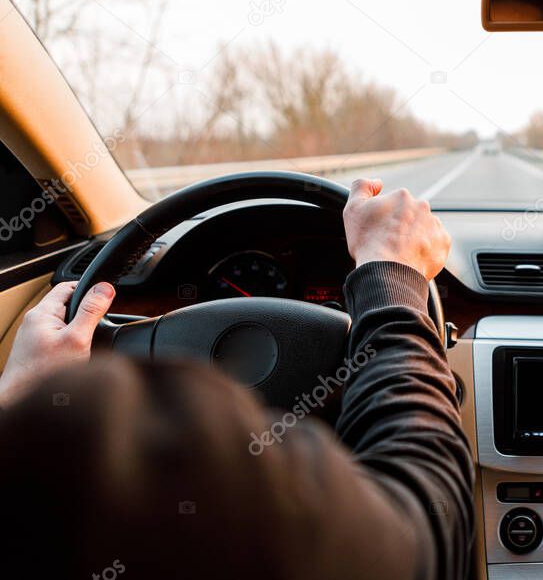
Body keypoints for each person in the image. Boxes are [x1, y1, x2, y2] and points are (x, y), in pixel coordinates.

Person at [0, 179, 473, 580]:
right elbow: (426, 525)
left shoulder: (38, 469)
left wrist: (24, 394)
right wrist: (391, 277)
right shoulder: (213, 488)